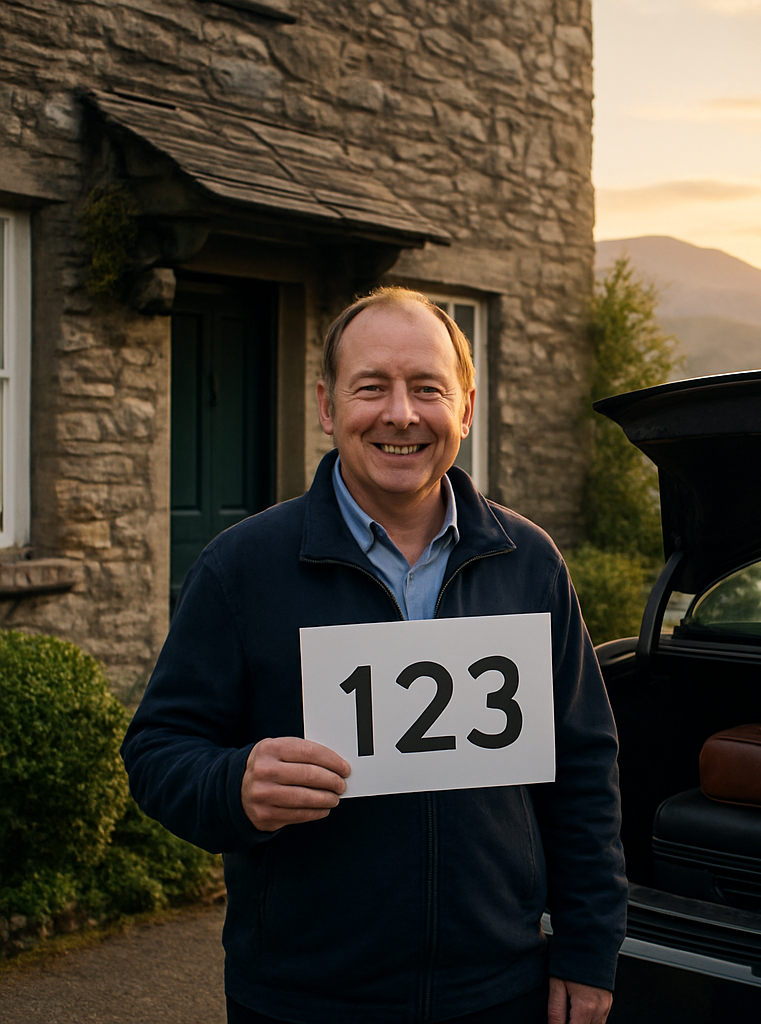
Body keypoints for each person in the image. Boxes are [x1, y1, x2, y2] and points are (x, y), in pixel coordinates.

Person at [121, 287, 627, 1024]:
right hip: (301, 999)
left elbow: (582, 766)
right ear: (327, 407)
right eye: (371, 388)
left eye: (427, 388)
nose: (401, 414)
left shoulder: (529, 563)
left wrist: (588, 946)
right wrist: (234, 786)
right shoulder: (241, 568)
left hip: (499, 991)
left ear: (466, 408)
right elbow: (156, 750)